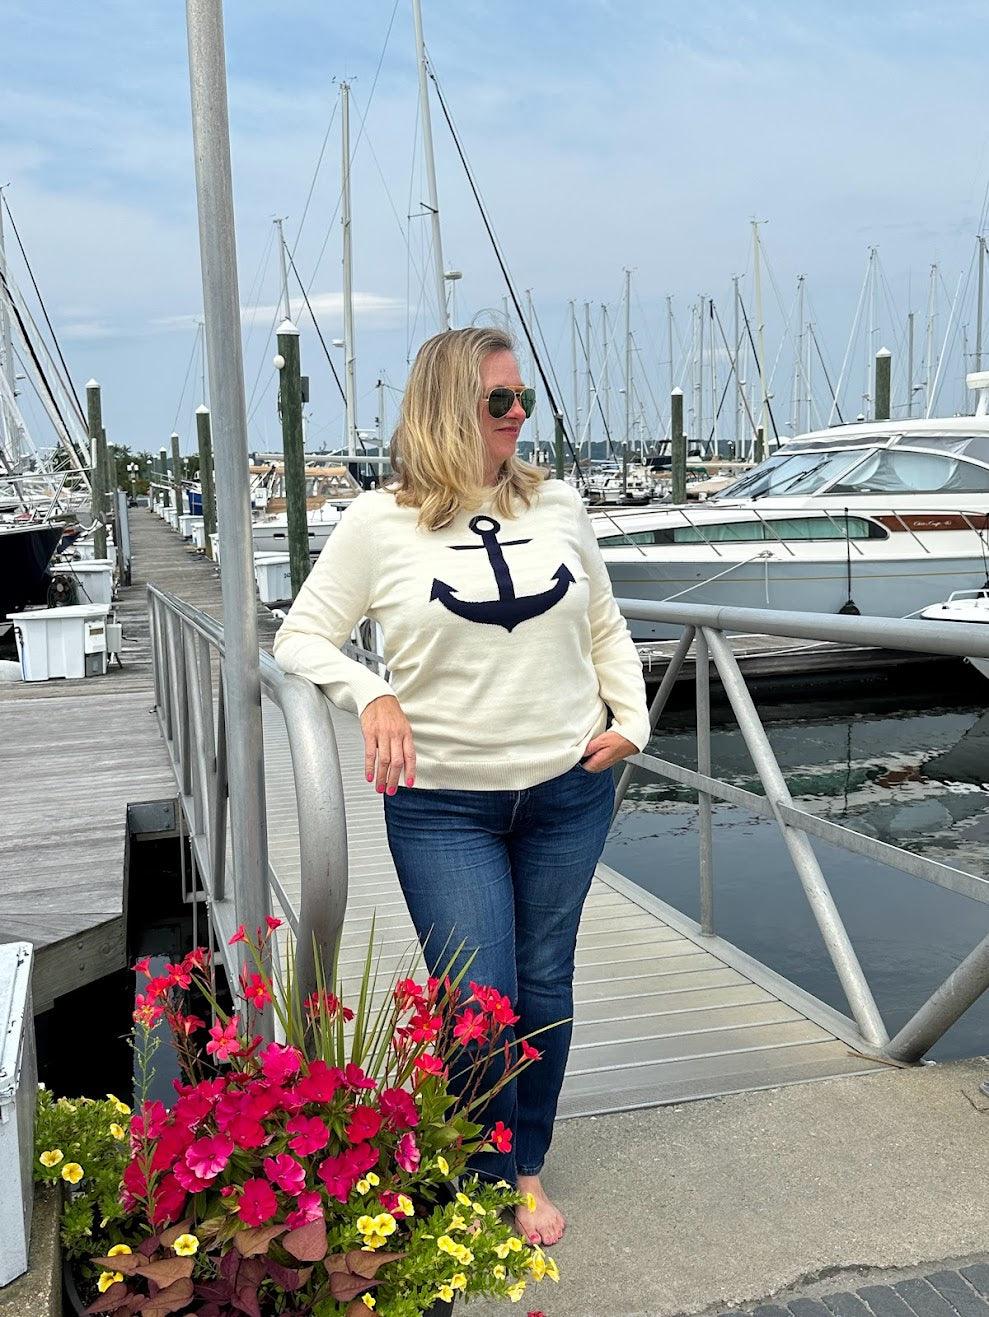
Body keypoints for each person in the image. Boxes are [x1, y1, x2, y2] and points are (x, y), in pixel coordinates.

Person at [273, 326, 650, 1246]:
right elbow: (300, 637)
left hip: (569, 790)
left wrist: (632, 721)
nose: (519, 415)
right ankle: (478, 1175)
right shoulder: (376, 525)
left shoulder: (557, 504)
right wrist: (373, 694)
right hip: (444, 805)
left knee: (542, 983)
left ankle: (522, 1168)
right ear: (447, 409)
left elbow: (603, 622)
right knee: (477, 995)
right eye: (498, 402)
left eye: (522, 399)